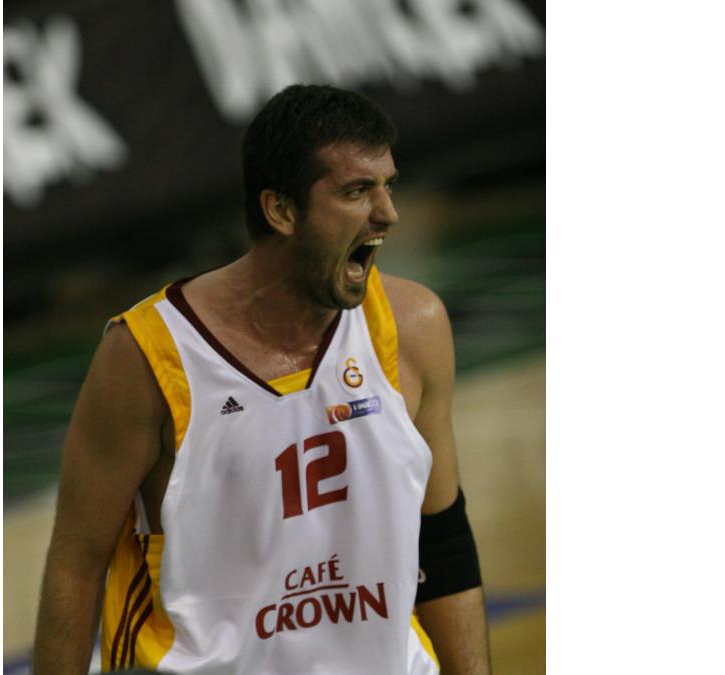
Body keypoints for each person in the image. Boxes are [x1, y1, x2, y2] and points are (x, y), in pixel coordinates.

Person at [33, 84, 490, 675]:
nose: (388, 213)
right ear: (281, 211)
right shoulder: (147, 357)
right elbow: (76, 565)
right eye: (356, 191)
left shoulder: (412, 327)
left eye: (388, 186)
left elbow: (442, 540)